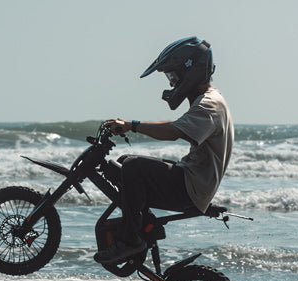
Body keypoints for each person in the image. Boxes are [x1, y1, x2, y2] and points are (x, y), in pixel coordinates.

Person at [94, 36, 234, 264]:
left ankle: (131, 239)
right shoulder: (208, 100)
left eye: (173, 75)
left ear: (191, 71)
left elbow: (173, 131)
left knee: (133, 167)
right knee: (125, 162)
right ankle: (141, 227)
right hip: (194, 182)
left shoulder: (209, 104)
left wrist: (132, 125)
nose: (171, 82)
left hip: (192, 188)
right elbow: (176, 127)